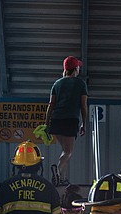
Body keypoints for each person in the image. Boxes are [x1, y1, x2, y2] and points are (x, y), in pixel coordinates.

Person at [45, 56, 88, 187]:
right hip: (70, 120)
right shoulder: (80, 83)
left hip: (56, 120)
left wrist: (46, 123)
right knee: (68, 152)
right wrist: (84, 123)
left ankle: (62, 178)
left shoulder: (57, 84)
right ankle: (57, 171)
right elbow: (83, 105)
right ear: (76, 69)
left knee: (65, 150)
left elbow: (51, 105)